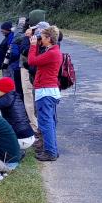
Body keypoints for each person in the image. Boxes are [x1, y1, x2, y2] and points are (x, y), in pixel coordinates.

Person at [27, 25, 63, 161]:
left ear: (49, 38)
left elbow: (31, 61)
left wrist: (33, 45)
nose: (40, 40)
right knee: (50, 122)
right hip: (50, 91)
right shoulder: (53, 51)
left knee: (45, 123)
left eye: (42, 37)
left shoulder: (52, 53)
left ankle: (50, 152)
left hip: (45, 91)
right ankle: (52, 150)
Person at [0, 77, 37, 150]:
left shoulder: (7, 99)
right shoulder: (13, 96)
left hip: (22, 139)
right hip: (28, 136)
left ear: (3, 90)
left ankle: (16, 153)